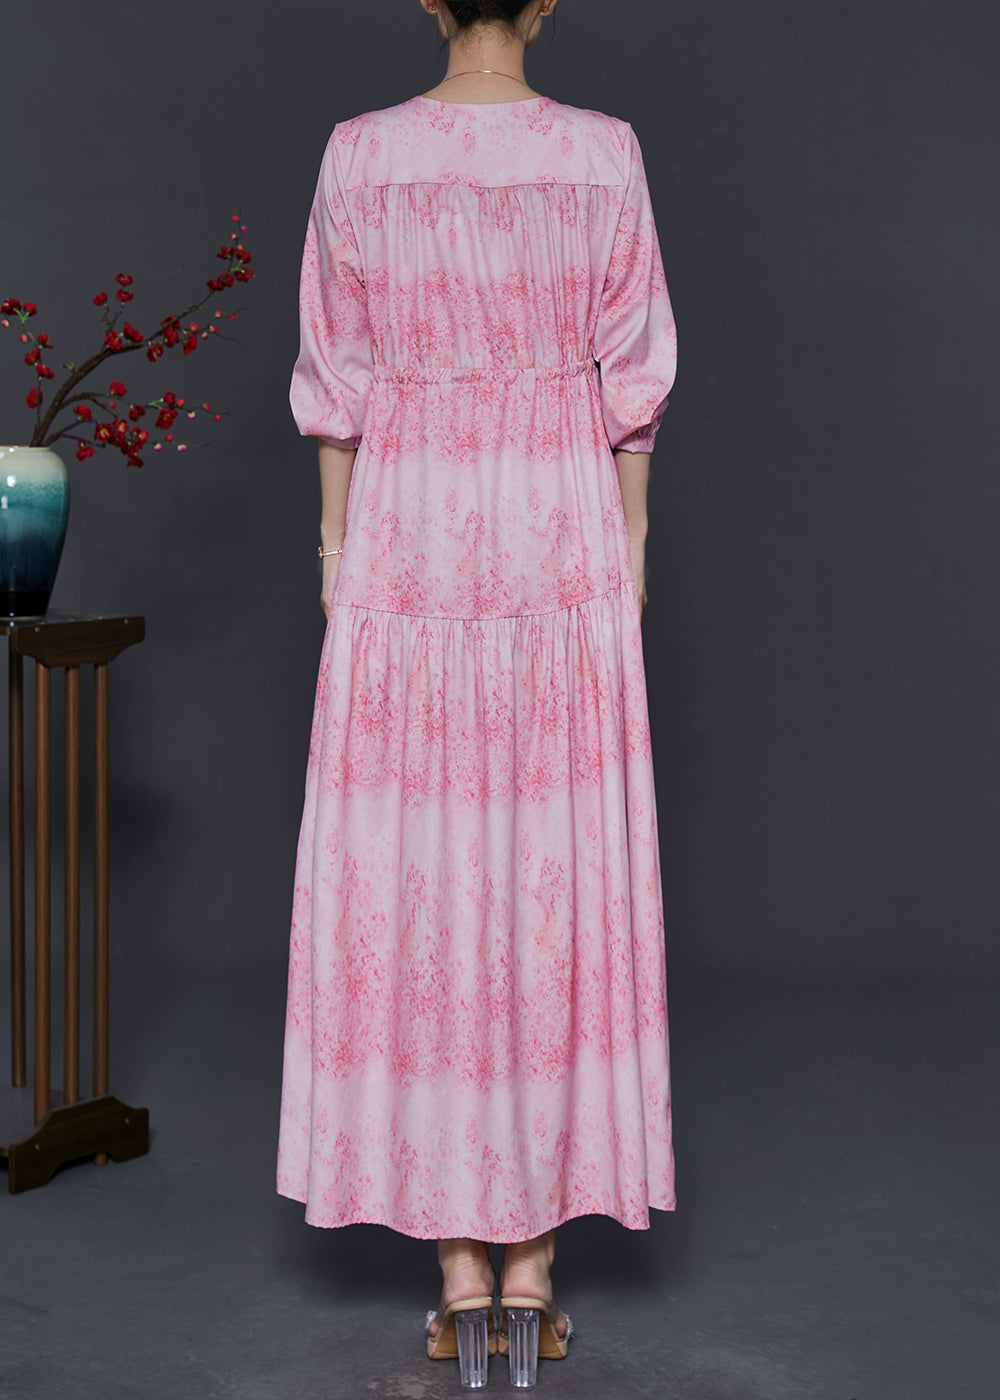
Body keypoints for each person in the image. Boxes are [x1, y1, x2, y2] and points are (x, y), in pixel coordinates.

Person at [276, 0, 678, 1386]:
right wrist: (631, 548)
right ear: (546, 3)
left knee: (426, 867)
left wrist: (337, 559)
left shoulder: (359, 153)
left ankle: (458, 1268)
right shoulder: (605, 151)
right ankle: (533, 1264)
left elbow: (335, 377)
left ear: (431, 3)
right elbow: (634, 374)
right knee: (553, 865)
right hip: (561, 518)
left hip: (410, 522)